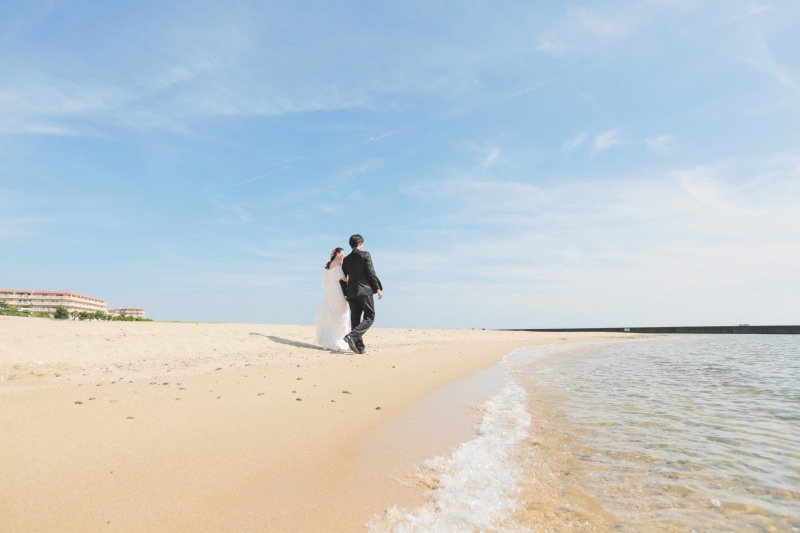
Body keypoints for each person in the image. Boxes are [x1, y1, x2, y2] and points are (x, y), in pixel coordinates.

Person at [341, 234, 383, 354]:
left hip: (351, 293)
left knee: (355, 319)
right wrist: (378, 288)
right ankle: (352, 336)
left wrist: (346, 293)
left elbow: (343, 278)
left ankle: (359, 347)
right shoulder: (365, 254)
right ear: (360, 243)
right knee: (370, 316)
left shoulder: (346, 260)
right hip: (364, 291)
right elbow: (371, 273)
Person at [314, 247, 351, 351]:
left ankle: (329, 339)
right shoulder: (337, 263)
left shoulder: (330, 264)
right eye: (343, 253)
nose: (344, 255)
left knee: (330, 315)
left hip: (328, 293)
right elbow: (342, 277)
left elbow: (326, 281)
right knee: (341, 315)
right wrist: (351, 282)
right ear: (337, 254)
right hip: (337, 292)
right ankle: (337, 340)